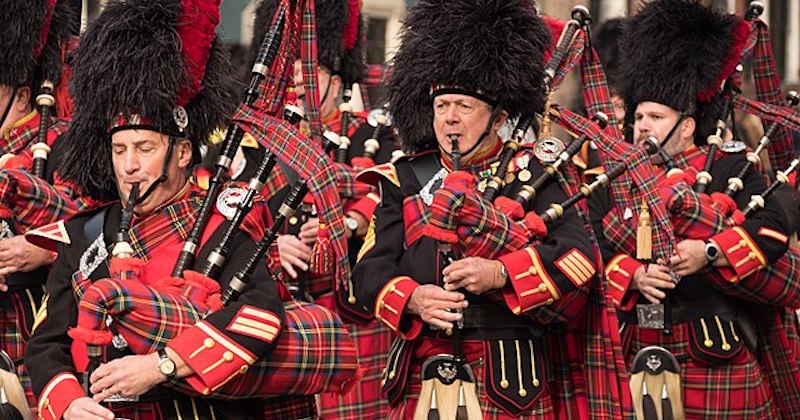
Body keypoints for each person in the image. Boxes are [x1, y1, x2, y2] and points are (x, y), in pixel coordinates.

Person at [23, 1, 312, 418]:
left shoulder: (221, 226)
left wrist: (160, 366)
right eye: (119, 149)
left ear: (181, 152)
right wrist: (70, 404)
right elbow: (47, 343)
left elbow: (258, 317)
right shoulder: (87, 234)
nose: (129, 165)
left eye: (144, 148)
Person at [351, 0, 600, 418]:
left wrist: (502, 273)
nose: (450, 119)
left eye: (464, 107)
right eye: (441, 106)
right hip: (420, 376)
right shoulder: (404, 178)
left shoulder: (535, 173)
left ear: (498, 115)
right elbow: (368, 270)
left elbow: (579, 260)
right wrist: (412, 298)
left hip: (510, 379)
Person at [591, 0, 797, 418]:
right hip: (638, 345)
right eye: (639, 116)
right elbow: (592, 242)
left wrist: (709, 252)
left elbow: (774, 227)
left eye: (656, 116)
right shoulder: (612, 178)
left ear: (686, 125)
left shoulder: (728, 166)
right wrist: (633, 275)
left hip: (716, 346)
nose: (642, 125)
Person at [249, 2, 397, 418]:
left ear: (337, 80)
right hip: (280, 298)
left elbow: (389, 195)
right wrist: (275, 243)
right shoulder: (260, 141)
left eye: (309, 74)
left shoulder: (372, 132)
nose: (298, 84)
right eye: (292, 75)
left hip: (349, 303)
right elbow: (235, 209)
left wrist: (348, 222)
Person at [0, 0, 76, 412]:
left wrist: (40, 249)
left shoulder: (63, 143)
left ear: (22, 94)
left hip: (34, 340)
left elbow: (97, 221)